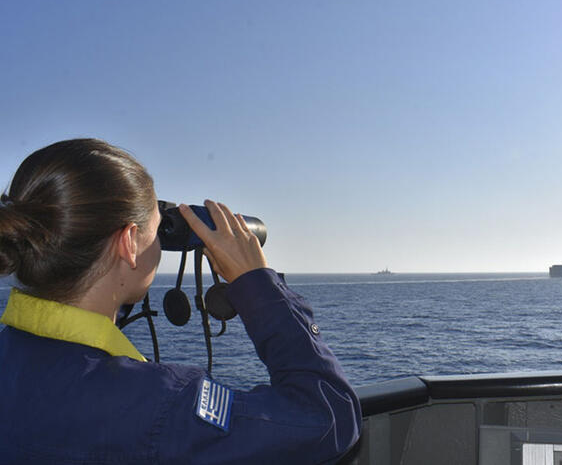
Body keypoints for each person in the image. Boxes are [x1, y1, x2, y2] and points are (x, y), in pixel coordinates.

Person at [0, 139, 361, 464]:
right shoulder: (160, 407)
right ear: (128, 243)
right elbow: (329, 419)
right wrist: (258, 284)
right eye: (157, 232)